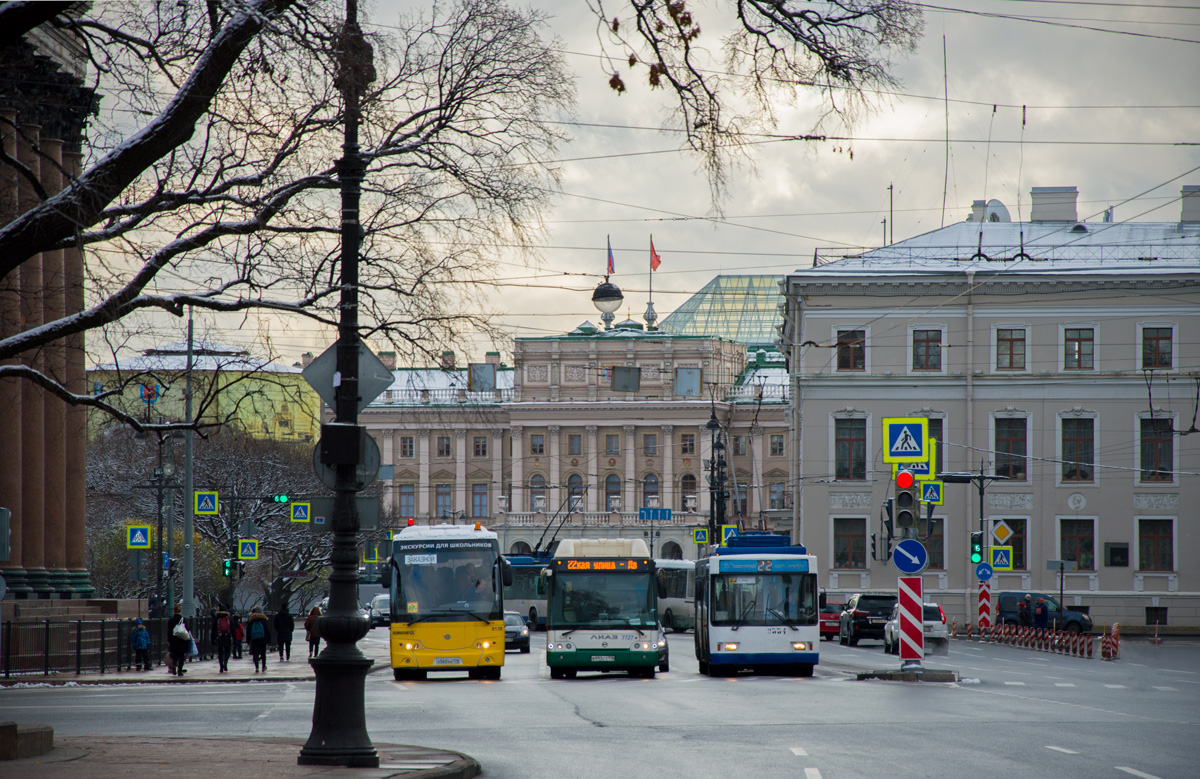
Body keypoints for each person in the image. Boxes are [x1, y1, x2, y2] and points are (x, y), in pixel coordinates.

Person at [166, 605, 189, 676]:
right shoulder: (182, 619)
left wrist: (169, 641)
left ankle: (174, 667)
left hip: (173, 641)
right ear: (180, 612)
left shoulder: (171, 620)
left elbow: (169, 632)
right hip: (182, 640)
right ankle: (180, 670)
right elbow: (187, 629)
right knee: (181, 656)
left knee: (174, 655)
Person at [247, 606, 270, 672]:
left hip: (254, 639)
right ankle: (263, 666)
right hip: (263, 639)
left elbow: (248, 630)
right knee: (263, 653)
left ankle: (257, 667)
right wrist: (268, 639)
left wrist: (248, 640)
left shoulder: (251, 620)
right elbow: (267, 630)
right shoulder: (264, 619)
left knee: (255, 653)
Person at [213, 606, 233, 672]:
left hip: (219, 637)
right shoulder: (229, 618)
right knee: (227, 651)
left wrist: (213, 638)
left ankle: (221, 666)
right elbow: (232, 628)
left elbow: (213, 629)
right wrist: (234, 638)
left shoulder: (217, 618)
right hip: (227, 637)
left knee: (220, 652)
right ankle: (225, 663)